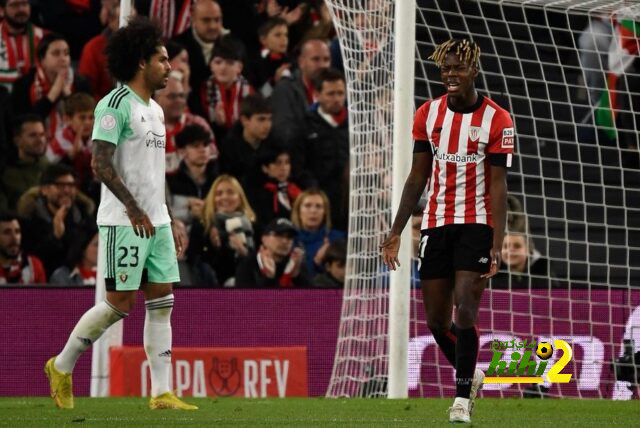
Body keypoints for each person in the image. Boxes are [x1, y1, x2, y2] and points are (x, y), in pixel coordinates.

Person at [43, 17, 197, 411]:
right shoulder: (113, 105)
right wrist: (133, 209)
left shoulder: (157, 111)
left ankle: (161, 392)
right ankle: (61, 366)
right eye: (163, 60)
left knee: (162, 299)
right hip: (123, 222)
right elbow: (99, 164)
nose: (170, 67)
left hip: (156, 221)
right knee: (118, 304)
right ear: (142, 62)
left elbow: (152, 172)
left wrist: (167, 217)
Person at [380, 39, 515, 424]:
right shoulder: (428, 113)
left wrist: (497, 241)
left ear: (474, 70)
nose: (450, 75)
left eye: (457, 68)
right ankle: (472, 375)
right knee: (437, 322)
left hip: (476, 223)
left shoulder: (497, 119)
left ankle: (460, 399)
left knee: (466, 309)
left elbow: (498, 186)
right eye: (445, 69)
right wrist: (396, 231)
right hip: (437, 222)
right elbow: (417, 176)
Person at [19, 163, 94, 277]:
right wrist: (55, 236)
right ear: (44, 190)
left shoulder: (84, 218)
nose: (67, 190)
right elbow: (32, 261)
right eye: (60, 185)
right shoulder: (29, 220)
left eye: (71, 185)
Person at [10, 32, 89, 138]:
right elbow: (26, 125)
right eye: (56, 54)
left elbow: (86, 119)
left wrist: (68, 95)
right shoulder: (24, 85)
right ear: (42, 59)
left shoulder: (80, 83)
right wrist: (54, 92)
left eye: (66, 53)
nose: (63, 58)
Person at [298, 68, 349, 229]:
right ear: (317, 95)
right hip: (319, 203)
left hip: (351, 201)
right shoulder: (305, 125)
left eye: (340, 93)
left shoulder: (357, 125)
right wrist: (314, 191)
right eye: (331, 94)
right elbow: (299, 165)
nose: (337, 99)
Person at [195, 174, 256, 286]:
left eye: (230, 192)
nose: (224, 197)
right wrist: (215, 247)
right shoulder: (203, 226)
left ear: (240, 198)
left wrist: (243, 252)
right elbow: (198, 264)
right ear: (212, 199)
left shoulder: (252, 225)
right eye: (219, 194)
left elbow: (257, 266)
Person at [172, 0, 228, 116]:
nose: (213, 26)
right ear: (192, 18)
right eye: (206, 20)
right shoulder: (176, 48)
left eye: (217, 20)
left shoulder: (233, 47)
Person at [270, 37, 330, 145]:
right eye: (316, 59)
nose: (322, 65)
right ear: (301, 62)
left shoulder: (337, 88)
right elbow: (284, 132)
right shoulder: (285, 89)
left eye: (326, 60)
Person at [155, 72, 216, 174]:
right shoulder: (147, 127)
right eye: (172, 96)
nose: (178, 100)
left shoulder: (198, 124)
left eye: (181, 96)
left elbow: (213, 159)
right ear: (157, 100)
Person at [200, 36, 254, 141]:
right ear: (211, 65)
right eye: (218, 62)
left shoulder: (249, 90)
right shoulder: (204, 89)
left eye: (230, 63)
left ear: (239, 67)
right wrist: (218, 123)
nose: (223, 67)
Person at [167, 124, 219, 228]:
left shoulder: (219, 178)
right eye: (196, 146)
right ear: (182, 151)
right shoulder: (171, 181)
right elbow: (165, 215)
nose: (203, 150)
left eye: (205, 145)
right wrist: (189, 213)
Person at [235, 217, 310, 288]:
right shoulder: (248, 265)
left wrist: (297, 277)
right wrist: (269, 278)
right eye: (278, 235)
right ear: (264, 239)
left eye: (289, 237)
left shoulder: (295, 263)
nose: (284, 241)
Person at [46, 93, 97, 194]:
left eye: (91, 117)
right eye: (82, 118)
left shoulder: (95, 138)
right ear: (67, 119)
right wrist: (70, 157)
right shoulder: (59, 142)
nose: (88, 122)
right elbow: (50, 173)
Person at [219, 94, 275, 183]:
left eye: (270, 119)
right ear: (245, 120)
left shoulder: (275, 144)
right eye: (261, 119)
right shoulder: (229, 148)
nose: (267, 125)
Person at [244, 143, 301, 231]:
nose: (284, 168)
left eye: (287, 163)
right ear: (265, 168)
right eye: (278, 163)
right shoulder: (258, 195)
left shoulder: (297, 189)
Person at [291, 189, 345, 277]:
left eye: (319, 206)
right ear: (298, 211)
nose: (313, 211)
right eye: (307, 206)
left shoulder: (337, 239)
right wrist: (317, 261)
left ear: (325, 212)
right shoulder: (289, 239)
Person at [1, 114, 49, 210]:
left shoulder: (46, 163)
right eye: (33, 135)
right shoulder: (8, 175)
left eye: (42, 134)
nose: (40, 140)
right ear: (17, 141)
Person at [0, 0, 46, 90]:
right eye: (14, 5)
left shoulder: (45, 38)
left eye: (24, 4)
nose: (21, 9)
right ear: (1, 10)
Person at [491, 232, 560, 289]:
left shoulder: (544, 269)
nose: (510, 250)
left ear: (528, 250)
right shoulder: (492, 272)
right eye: (505, 246)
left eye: (517, 246)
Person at [0, 211, 46, 284]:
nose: (14, 238)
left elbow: (42, 295)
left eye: (17, 232)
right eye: (7, 232)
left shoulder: (34, 265)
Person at [249, 17, 291, 97]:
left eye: (286, 35)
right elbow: (258, 97)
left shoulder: (291, 61)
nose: (284, 39)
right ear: (263, 40)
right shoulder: (255, 64)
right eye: (278, 35)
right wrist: (274, 82)